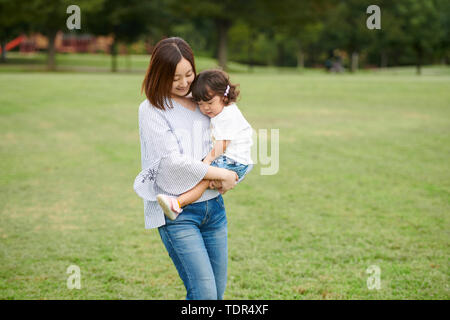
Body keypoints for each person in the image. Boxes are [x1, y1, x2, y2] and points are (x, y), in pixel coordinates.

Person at [133, 37, 238, 300]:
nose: (183, 83)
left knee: (216, 295)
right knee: (204, 296)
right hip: (178, 215)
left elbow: (230, 131)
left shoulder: (204, 98)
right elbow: (171, 162)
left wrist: (230, 170)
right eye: (174, 77)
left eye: (189, 74)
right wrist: (221, 174)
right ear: (159, 75)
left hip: (214, 210)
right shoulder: (152, 110)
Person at [156, 69, 253, 220]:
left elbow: (223, 144)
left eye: (209, 102)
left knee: (202, 178)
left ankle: (176, 203)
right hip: (235, 161)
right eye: (200, 103)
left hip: (233, 161)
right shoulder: (222, 111)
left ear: (224, 96)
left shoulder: (227, 115)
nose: (205, 108)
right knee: (205, 180)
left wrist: (207, 162)